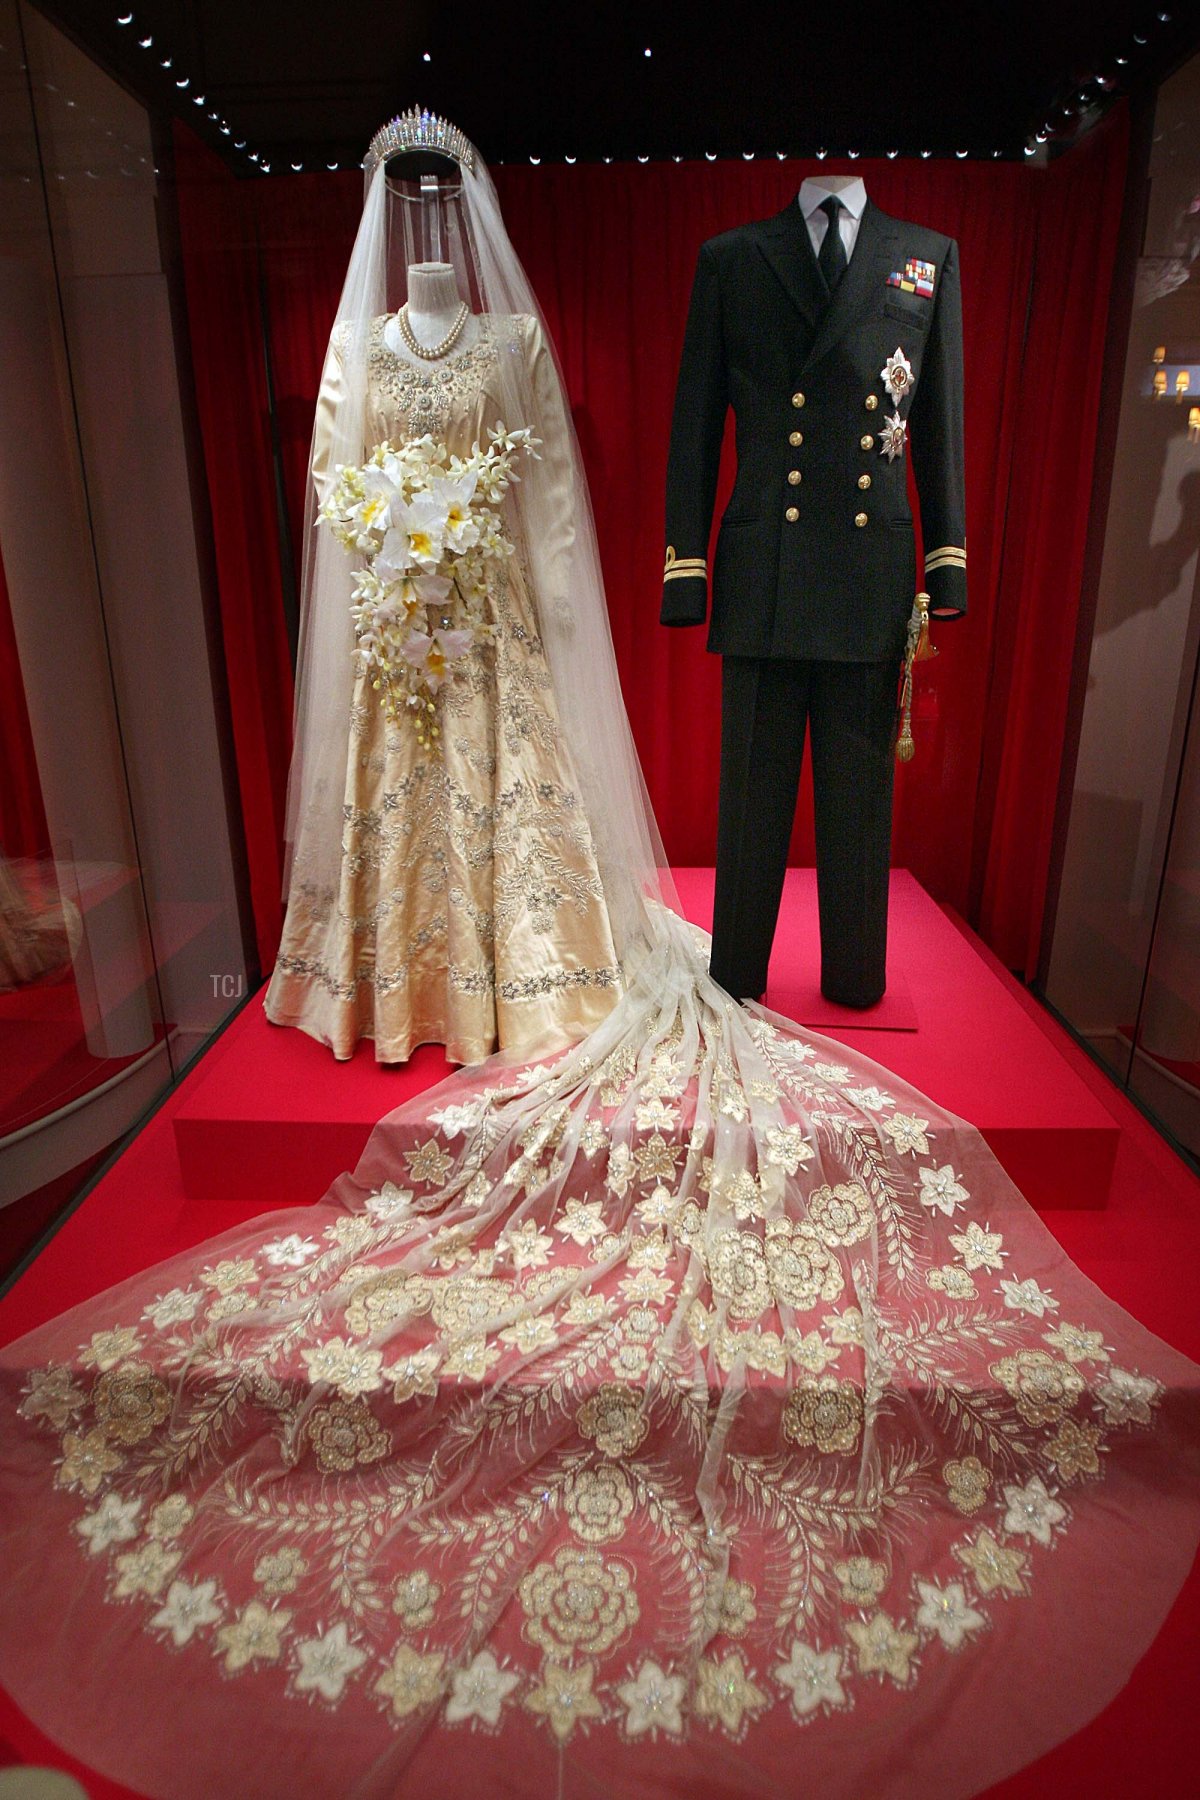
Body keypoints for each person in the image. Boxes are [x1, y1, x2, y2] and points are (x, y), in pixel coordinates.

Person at [0, 112, 1196, 1800]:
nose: (422, 221)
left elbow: (922, 433)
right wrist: (684, 565)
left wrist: (945, 556)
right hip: (594, 595)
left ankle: (835, 967)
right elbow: (684, 423)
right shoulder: (681, 279)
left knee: (851, 795)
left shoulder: (920, 264)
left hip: (739, 586)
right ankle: (668, 968)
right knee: (750, 807)